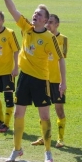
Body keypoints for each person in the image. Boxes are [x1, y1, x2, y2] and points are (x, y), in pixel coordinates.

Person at [0, 0, 66, 162]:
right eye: (35, 13)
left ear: (45, 21)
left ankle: (48, 152)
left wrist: (63, 82)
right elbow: (13, 10)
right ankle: (17, 149)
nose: (35, 15)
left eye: (39, 14)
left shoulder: (49, 37)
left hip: (40, 80)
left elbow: (60, 59)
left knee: (44, 115)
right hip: (24, 79)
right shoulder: (26, 28)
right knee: (19, 114)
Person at [31, 14, 68, 148]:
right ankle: (43, 137)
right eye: (48, 22)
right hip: (43, 80)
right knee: (43, 111)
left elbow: (61, 59)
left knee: (59, 109)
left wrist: (63, 81)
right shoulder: (42, 37)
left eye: (51, 23)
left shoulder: (63, 39)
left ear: (57, 24)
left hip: (56, 80)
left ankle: (60, 138)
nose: (48, 25)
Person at [0, 10, 20, 133]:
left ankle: (6, 124)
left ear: (3, 21)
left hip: (8, 71)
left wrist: (16, 67)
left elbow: (16, 51)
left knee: (8, 97)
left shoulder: (9, 33)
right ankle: (1, 120)